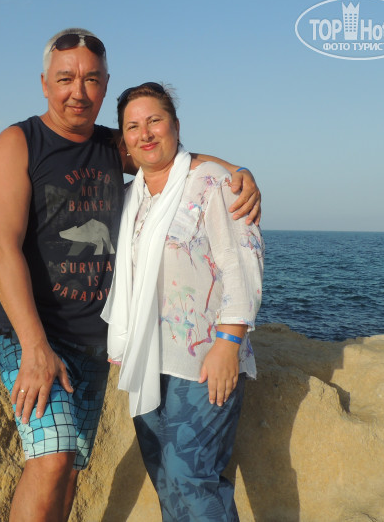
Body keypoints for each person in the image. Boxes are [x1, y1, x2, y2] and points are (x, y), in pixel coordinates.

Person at [0, 29, 261, 522]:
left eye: (91, 79)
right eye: (65, 78)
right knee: (51, 462)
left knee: (70, 468)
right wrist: (33, 346)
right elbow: (2, 247)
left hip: (95, 345)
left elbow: (173, 158)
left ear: (105, 84)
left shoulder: (112, 146)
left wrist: (237, 171)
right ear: (44, 83)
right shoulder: (19, 143)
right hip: (40, 337)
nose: (78, 91)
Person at [102, 82, 264, 521]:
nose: (145, 133)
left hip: (203, 360)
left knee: (190, 475)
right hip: (147, 360)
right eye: (133, 126)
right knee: (166, 478)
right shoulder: (131, 197)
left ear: (176, 125)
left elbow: (242, 264)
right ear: (124, 140)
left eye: (155, 120)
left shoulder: (212, 183)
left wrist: (229, 343)